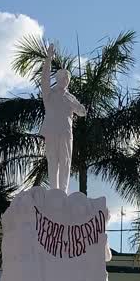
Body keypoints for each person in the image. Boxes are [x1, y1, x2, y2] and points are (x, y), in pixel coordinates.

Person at [40, 42, 86, 193]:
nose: (65, 80)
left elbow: (82, 112)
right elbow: (45, 79)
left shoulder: (70, 97)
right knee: (53, 161)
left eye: (67, 78)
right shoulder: (49, 94)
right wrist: (48, 59)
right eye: (62, 77)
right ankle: (54, 191)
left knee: (65, 162)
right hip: (52, 131)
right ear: (57, 79)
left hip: (66, 132)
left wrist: (78, 106)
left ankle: (63, 192)